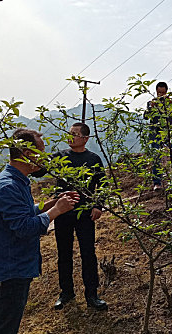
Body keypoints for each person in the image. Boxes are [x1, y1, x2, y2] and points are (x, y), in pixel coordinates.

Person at [0, 128, 79, 334]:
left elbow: (24, 213)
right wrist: (57, 210)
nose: (44, 157)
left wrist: (49, 204)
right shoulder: (8, 186)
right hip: (10, 271)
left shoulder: (17, 181)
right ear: (27, 154)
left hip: (15, 268)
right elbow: (24, 228)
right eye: (41, 152)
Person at [52, 122, 108, 311]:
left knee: (88, 254)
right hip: (63, 212)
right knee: (64, 253)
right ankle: (66, 292)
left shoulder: (93, 159)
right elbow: (41, 170)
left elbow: (104, 184)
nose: (71, 136)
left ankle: (92, 294)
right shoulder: (60, 157)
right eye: (70, 133)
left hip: (85, 213)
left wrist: (98, 206)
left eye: (75, 134)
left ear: (85, 138)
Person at [144, 81, 172, 191]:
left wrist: (171, 104)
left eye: (163, 93)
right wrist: (151, 107)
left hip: (169, 133)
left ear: (166, 92)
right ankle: (157, 183)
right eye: (159, 93)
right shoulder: (151, 103)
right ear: (156, 92)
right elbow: (146, 117)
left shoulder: (171, 102)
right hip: (155, 134)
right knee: (156, 158)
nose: (161, 95)